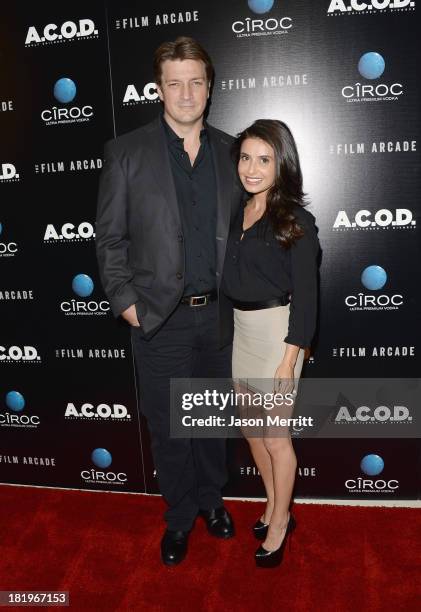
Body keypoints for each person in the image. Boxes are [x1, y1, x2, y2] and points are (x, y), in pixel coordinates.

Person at [96, 37, 244, 566]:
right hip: (160, 320)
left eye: (196, 81)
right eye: (175, 82)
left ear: (209, 86)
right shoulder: (127, 152)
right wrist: (127, 303)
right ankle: (179, 518)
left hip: (221, 321)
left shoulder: (233, 153)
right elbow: (109, 240)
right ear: (158, 88)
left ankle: (212, 502)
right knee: (171, 429)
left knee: (211, 423)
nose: (186, 93)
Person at [221, 119, 319, 568]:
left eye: (264, 159)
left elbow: (308, 298)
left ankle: (281, 522)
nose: (252, 168)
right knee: (251, 430)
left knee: (277, 438)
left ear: (282, 164)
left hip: (278, 335)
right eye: (246, 157)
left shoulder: (295, 219)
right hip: (242, 332)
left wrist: (289, 359)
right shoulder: (237, 211)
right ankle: (272, 501)